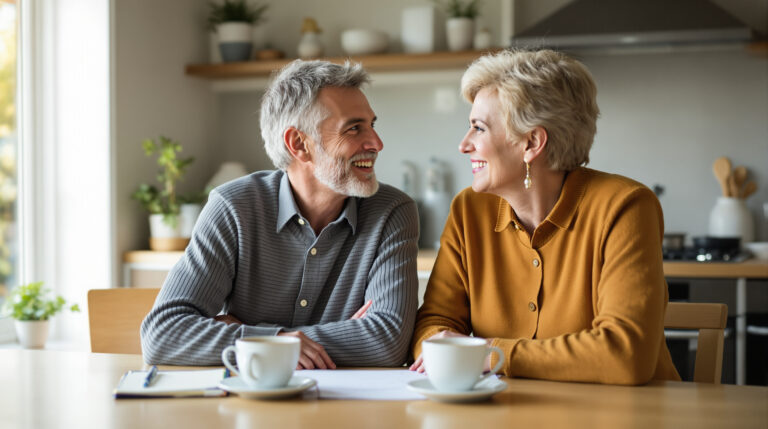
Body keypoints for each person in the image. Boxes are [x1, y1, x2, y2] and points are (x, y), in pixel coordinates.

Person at [409, 49, 681, 385]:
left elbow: (626, 354)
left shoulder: (625, 207)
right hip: (510, 412)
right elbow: (433, 325)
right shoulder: (469, 210)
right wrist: (456, 347)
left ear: (532, 142)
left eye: (478, 128)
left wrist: (490, 353)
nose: (464, 145)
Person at [141, 60, 419, 368]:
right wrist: (290, 340)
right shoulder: (234, 208)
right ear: (299, 144)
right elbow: (163, 334)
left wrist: (249, 337)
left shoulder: (392, 212)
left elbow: (387, 342)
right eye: (354, 128)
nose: (376, 143)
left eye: (372, 125)